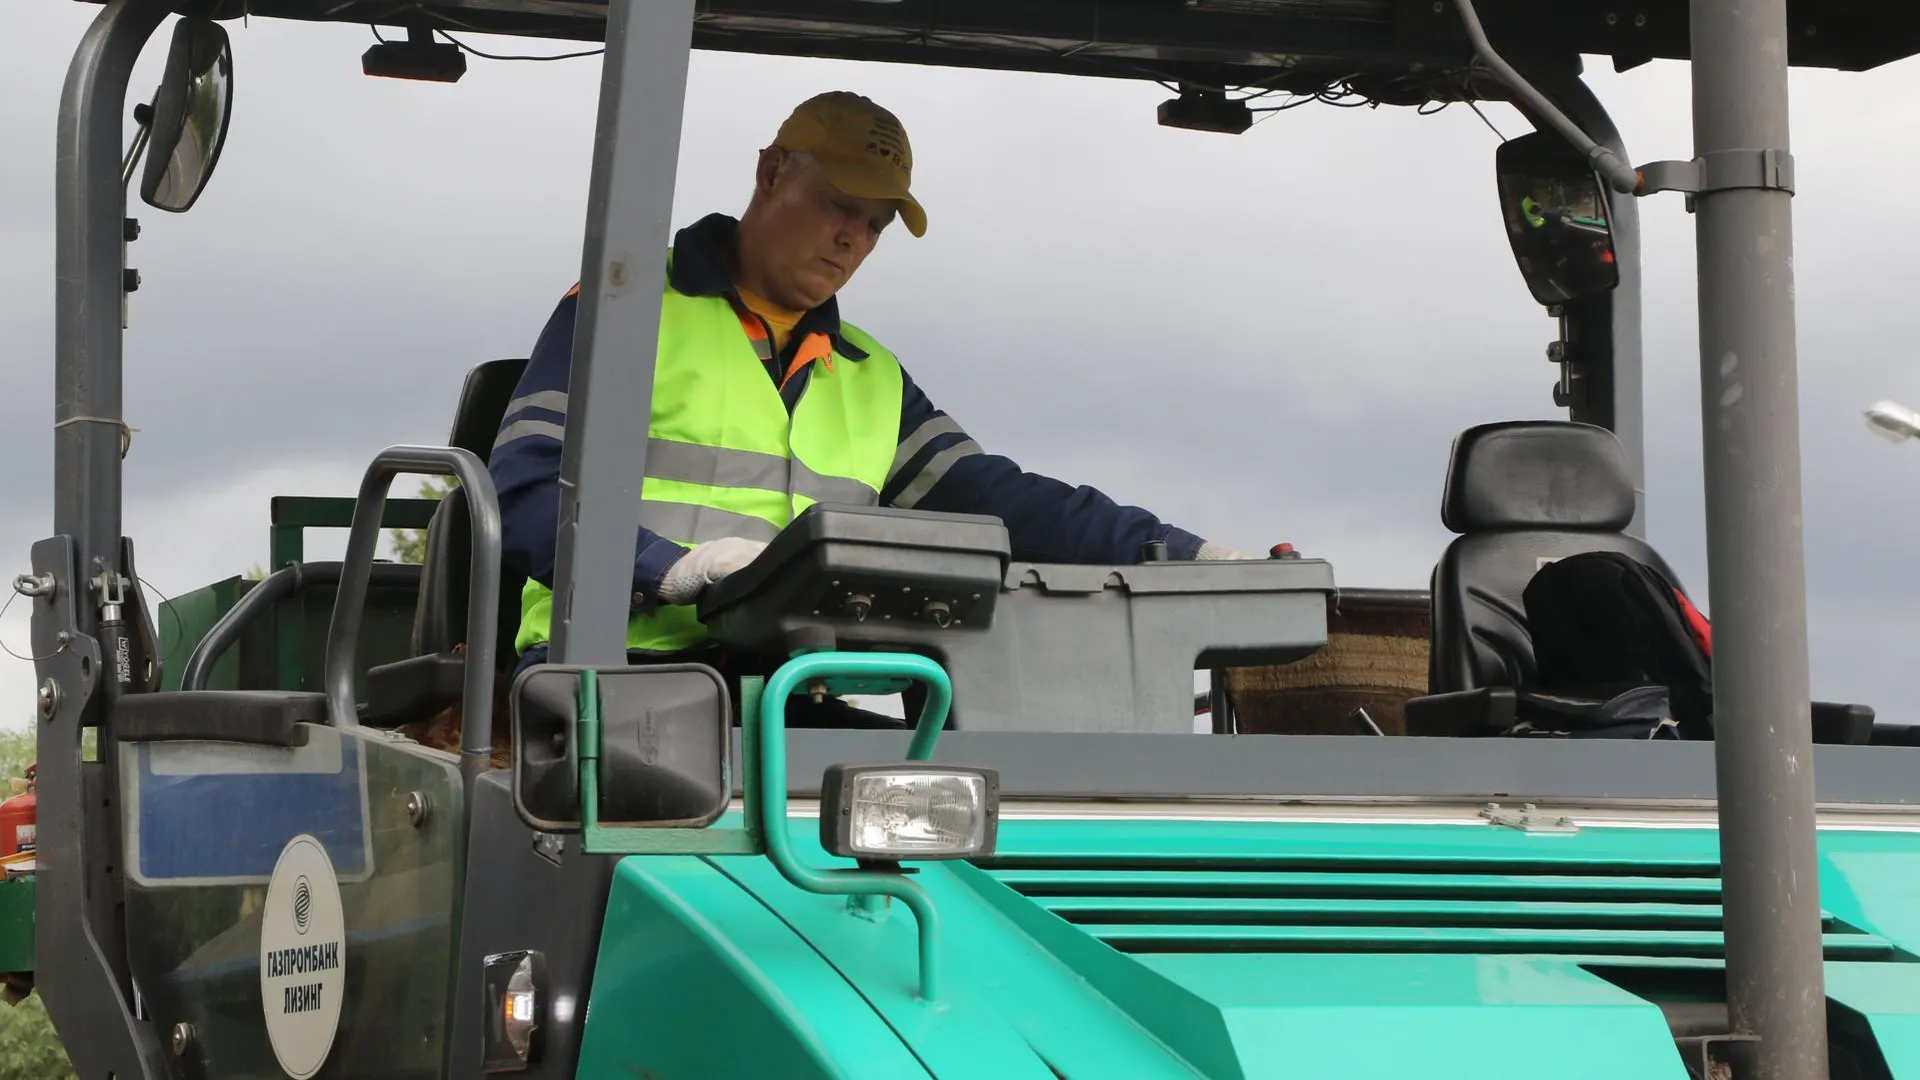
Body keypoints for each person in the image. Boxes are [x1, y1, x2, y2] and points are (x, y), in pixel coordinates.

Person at [490, 91, 1247, 711]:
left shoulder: (870, 373)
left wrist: (1184, 554)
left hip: (780, 692)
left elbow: (1011, 505)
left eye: (875, 223)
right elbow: (523, 489)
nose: (852, 237)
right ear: (771, 172)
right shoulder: (628, 308)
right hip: (609, 678)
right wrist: (672, 568)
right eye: (837, 204)